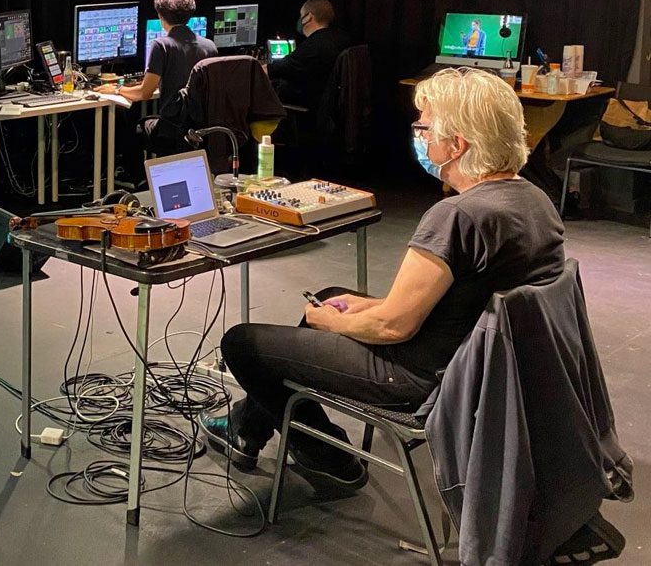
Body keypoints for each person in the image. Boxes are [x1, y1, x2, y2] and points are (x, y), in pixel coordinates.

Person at [206, 67, 565, 494]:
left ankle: (331, 459)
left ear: (458, 144)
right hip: (479, 367)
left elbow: (393, 327)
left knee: (243, 343)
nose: (420, 137)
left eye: (425, 127)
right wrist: (358, 307)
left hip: (420, 380)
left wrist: (331, 322)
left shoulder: (458, 216)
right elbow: (450, 303)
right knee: (332, 297)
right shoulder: (533, 199)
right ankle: (247, 427)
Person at [99, 0, 217, 150]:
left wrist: (117, 89)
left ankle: (132, 174)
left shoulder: (161, 45)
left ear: (161, 17)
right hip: (202, 128)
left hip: (173, 129)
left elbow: (145, 93)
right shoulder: (210, 46)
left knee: (136, 129)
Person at [267, 0, 352, 107]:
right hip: (332, 107)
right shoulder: (342, 38)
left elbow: (270, 71)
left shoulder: (314, 47)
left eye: (301, 15)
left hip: (310, 107)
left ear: (308, 17)